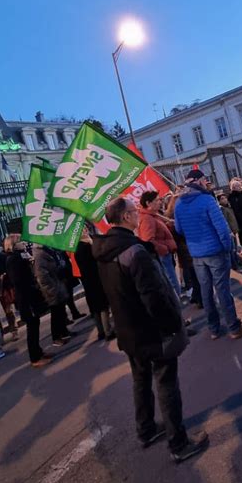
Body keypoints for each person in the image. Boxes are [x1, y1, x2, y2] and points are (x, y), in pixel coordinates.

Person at [93, 195, 208, 463]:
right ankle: (178, 444)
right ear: (125, 217)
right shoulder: (134, 252)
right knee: (166, 382)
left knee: (140, 380)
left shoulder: (105, 250)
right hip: (151, 330)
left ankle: (145, 430)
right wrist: (172, 326)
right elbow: (153, 296)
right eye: (134, 210)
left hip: (128, 330)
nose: (137, 213)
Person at [174, 169, 242, 340]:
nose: (206, 182)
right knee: (223, 290)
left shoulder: (179, 204)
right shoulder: (206, 200)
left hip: (196, 254)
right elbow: (222, 229)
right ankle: (234, 327)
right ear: (199, 181)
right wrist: (227, 248)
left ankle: (214, 329)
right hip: (215, 252)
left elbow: (179, 229)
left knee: (206, 291)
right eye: (204, 180)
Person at [6, 237, 54, 367]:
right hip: (26, 299)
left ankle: (38, 351)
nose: (24, 243)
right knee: (31, 328)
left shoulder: (21, 256)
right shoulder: (14, 259)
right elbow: (18, 280)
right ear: (15, 245)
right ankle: (35, 358)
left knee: (35, 325)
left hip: (30, 297)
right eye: (21, 241)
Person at [75, 226, 115, 342]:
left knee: (97, 307)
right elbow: (96, 258)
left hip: (91, 280)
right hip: (94, 280)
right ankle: (107, 331)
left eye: (85, 228)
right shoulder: (83, 247)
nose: (85, 230)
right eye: (82, 229)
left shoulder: (85, 244)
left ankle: (101, 331)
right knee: (102, 307)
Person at [138, 191, 180, 298]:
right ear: (148, 203)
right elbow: (148, 240)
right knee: (171, 284)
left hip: (163, 255)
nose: (160, 202)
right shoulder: (147, 218)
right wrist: (164, 248)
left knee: (172, 283)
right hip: (161, 256)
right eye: (157, 200)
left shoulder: (153, 215)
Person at [165, 195, 202, 308]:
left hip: (186, 248)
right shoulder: (173, 218)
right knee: (196, 275)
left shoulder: (174, 216)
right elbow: (180, 233)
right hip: (186, 248)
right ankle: (200, 299)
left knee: (195, 274)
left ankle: (197, 296)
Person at [32, 245, 73, 346]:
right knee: (56, 312)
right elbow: (42, 275)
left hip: (57, 283)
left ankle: (64, 332)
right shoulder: (40, 254)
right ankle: (56, 337)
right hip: (52, 288)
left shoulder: (48, 250)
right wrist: (51, 287)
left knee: (61, 310)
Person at [218, 193, 242, 270]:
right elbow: (225, 220)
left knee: (236, 248)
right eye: (222, 198)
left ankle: (237, 261)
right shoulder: (222, 209)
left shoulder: (228, 207)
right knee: (232, 249)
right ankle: (235, 264)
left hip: (234, 229)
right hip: (230, 230)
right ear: (219, 201)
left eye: (225, 198)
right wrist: (229, 231)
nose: (225, 199)